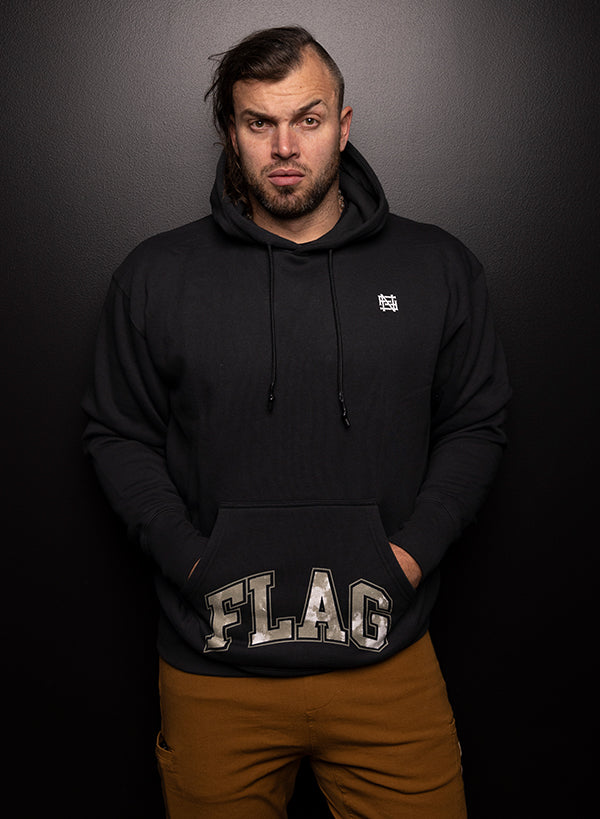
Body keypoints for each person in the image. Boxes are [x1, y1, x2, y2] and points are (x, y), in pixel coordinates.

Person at [83, 25, 510, 819]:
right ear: (231, 132)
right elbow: (118, 433)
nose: (285, 146)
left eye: (307, 120)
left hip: (387, 663)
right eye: (260, 122)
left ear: (342, 126)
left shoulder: (436, 267)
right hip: (215, 673)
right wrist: (194, 562)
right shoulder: (157, 276)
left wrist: (408, 558)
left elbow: (476, 422)